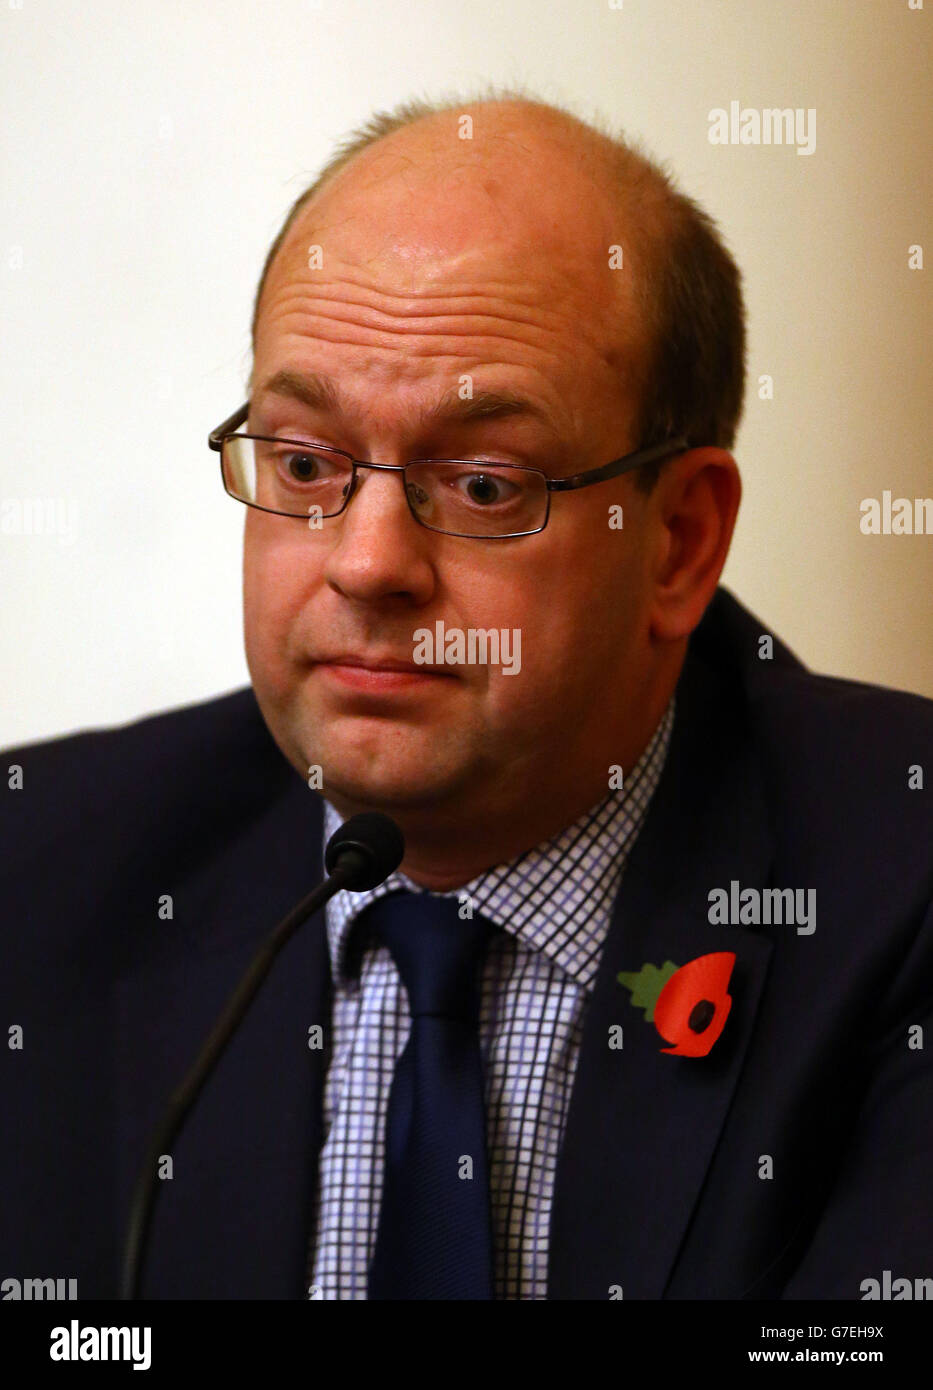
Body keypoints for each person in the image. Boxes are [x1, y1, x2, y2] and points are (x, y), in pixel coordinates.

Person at [2, 89, 931, 1302]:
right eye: (302, 461)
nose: (367, 561)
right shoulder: (39, 873)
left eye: (486, 483)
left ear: (678, 543)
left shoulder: (896, 883)